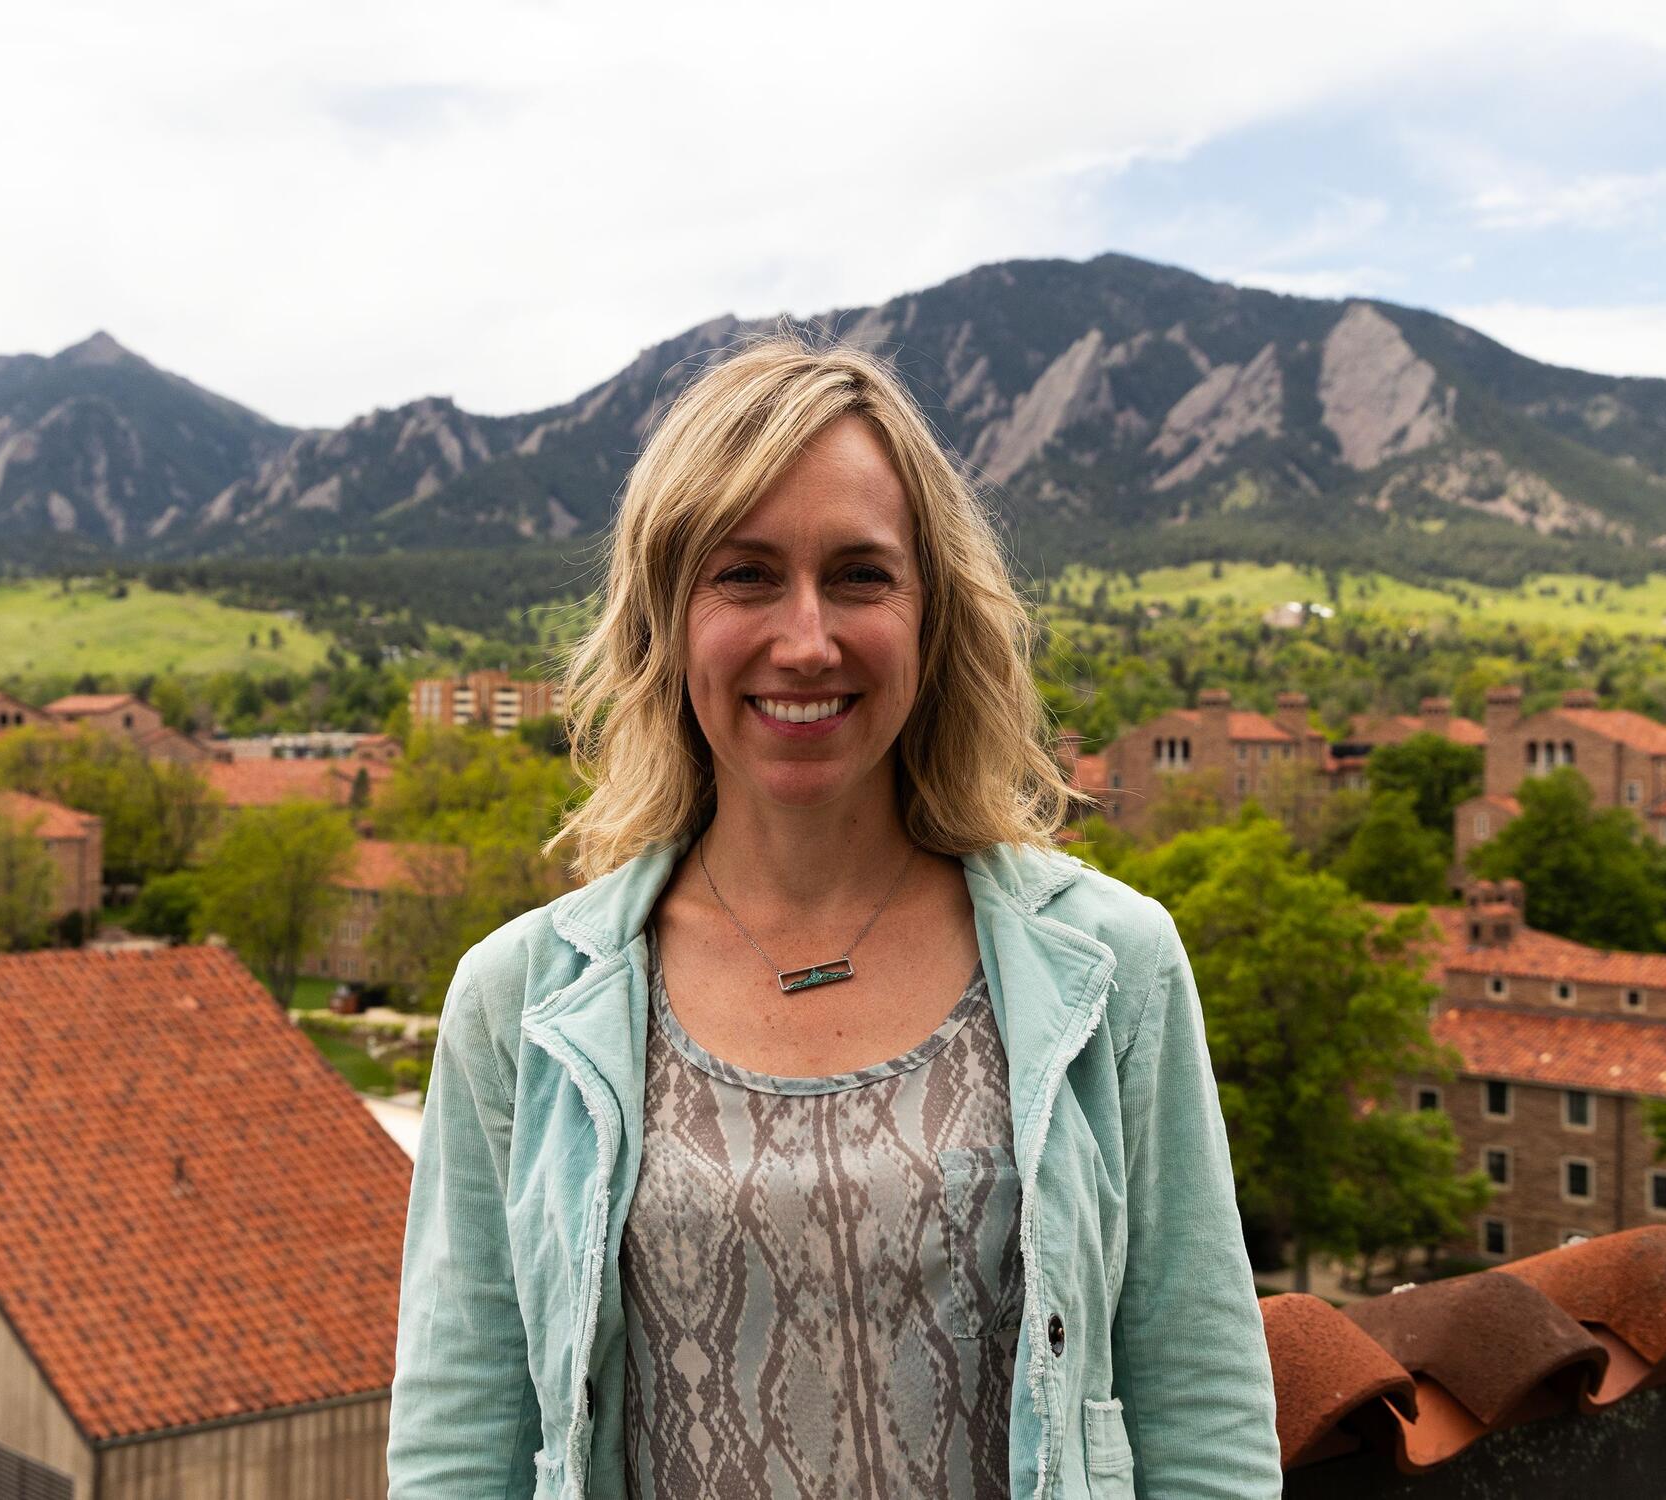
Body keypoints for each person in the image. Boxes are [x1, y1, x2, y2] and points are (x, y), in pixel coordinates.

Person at [387, 336, 1280, 1499]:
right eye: (745, 575)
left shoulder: (1112, 968)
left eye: (860, 576)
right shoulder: (522, 1005)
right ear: (664, 620)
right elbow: (463, 1445)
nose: (807, 641)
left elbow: (1203, 1416)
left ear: (932, 616)